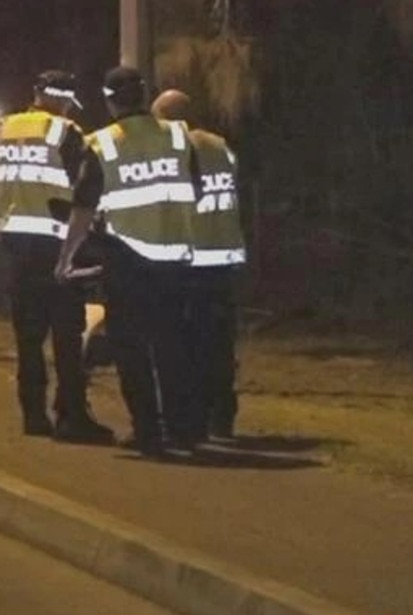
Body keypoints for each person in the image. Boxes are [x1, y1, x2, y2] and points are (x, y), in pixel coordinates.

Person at [56, 66, 201, 457]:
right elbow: (196, 188)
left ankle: (149, 433)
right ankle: (183, 430)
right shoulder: (177, 134)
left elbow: (83, 207)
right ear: (143, 95)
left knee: (132, 350)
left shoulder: (104, 143)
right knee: (173, 347)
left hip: (128, 260)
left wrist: (67, 258)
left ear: (109, 99)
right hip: (176, 258)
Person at [0, 70, 114, 442]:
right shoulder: (66, 131)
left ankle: (33, 415)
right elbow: (85, 191)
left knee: (28, 337)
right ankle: (71, 416)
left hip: (14, 246)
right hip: (59, 247)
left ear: (36, 92)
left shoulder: (4, 128)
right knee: (67, 334)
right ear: (64, 100)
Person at [151, 88, 246, 440]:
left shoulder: (171, 150)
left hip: (185, 261)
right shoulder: (220, 146)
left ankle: (188, 421)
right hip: (222, 260)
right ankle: (221, 419)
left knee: (182, 346)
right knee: (219, 345)